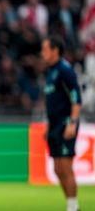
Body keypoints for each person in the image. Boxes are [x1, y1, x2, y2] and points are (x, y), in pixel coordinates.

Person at [41, 36, 81, 211]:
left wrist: (72, 122)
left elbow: (76, 96)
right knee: (57, 169)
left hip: (65, 124)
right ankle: (72, 205)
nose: (42, 53)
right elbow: (52, 102)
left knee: (66, 167)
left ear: (55, 50)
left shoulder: (65, 69)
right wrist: (48, 125)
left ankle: (72, 207)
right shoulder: (50, 72)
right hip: (54, 125)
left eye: (45, 49)